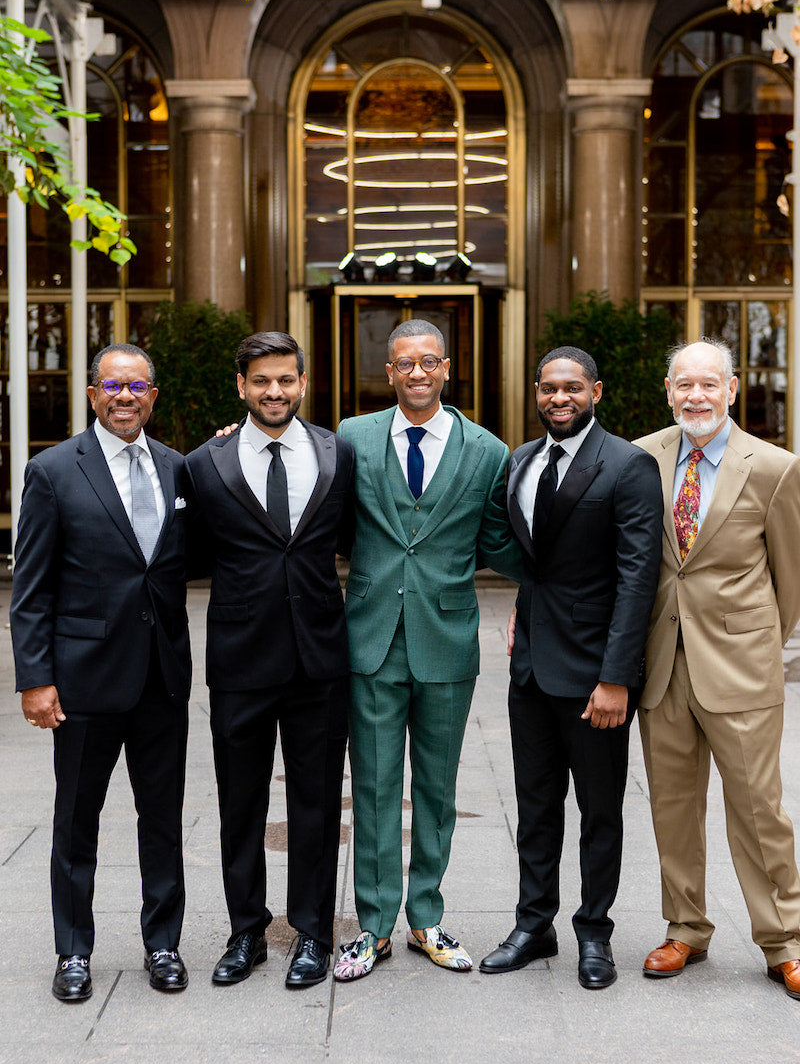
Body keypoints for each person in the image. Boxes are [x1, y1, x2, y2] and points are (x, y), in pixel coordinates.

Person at [332, 318, 524, 982]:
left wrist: (554, 580)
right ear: (387, 372)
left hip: (445, 639)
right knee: (376, 785)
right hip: (371, 637)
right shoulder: (351, 440)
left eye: (430, 362)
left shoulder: (488, 450)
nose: (417, 372)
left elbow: (500, 541)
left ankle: (426, 917)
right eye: (404, 363)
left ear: (448, 369)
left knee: (436, 788)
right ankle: (372, 925)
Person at [10, 343, 192, 1002]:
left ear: (152, 396)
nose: (124, 396)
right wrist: (35, 676)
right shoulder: (54, 472)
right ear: (92, 395)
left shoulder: (178, 469)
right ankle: (74, 952)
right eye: (112, 384)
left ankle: (163, 943)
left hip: (162, 679)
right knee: (76, 821)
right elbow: (30, 588)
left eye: (137, 385)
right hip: (82, 679)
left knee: (162, 819)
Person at [479, 346, 663, 988]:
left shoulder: (629, 465)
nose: (560, 398)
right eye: (549, 388)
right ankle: (535, 925)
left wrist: (617, 677)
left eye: (573, 388)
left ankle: (594, 931)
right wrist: (525, 608)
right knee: (535, 805)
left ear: (596, 392)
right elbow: (532, 559)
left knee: (600, 809)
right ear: (536, 392)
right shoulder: (521, 461)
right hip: (529, 665)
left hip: (594, 676)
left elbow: (638, 577)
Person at [186, 332, 354, 989]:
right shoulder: (205, 464)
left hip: (319, 660)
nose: (274, 392)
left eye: (285, 379)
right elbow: (189, 554)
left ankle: (312, 933)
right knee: (241, 804)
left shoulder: (338, 456)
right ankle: (245, 933)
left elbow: (350, 540)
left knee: (316, 805)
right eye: (261, 381)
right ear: (241, 386)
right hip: (239, 660)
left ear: (303, 383)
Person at [636, 338, 800, 999]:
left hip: (740, 666)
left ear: (732, 391)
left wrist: (755, 641)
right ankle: (686, 928)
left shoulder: (775, 468)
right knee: (673, 807)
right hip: (662, 665)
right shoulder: (642, 459)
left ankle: (784, 939)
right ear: (669, 392)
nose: (696, 396)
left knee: (759, 809)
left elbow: (790, 578)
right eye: (684, 385)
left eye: (710, 385)